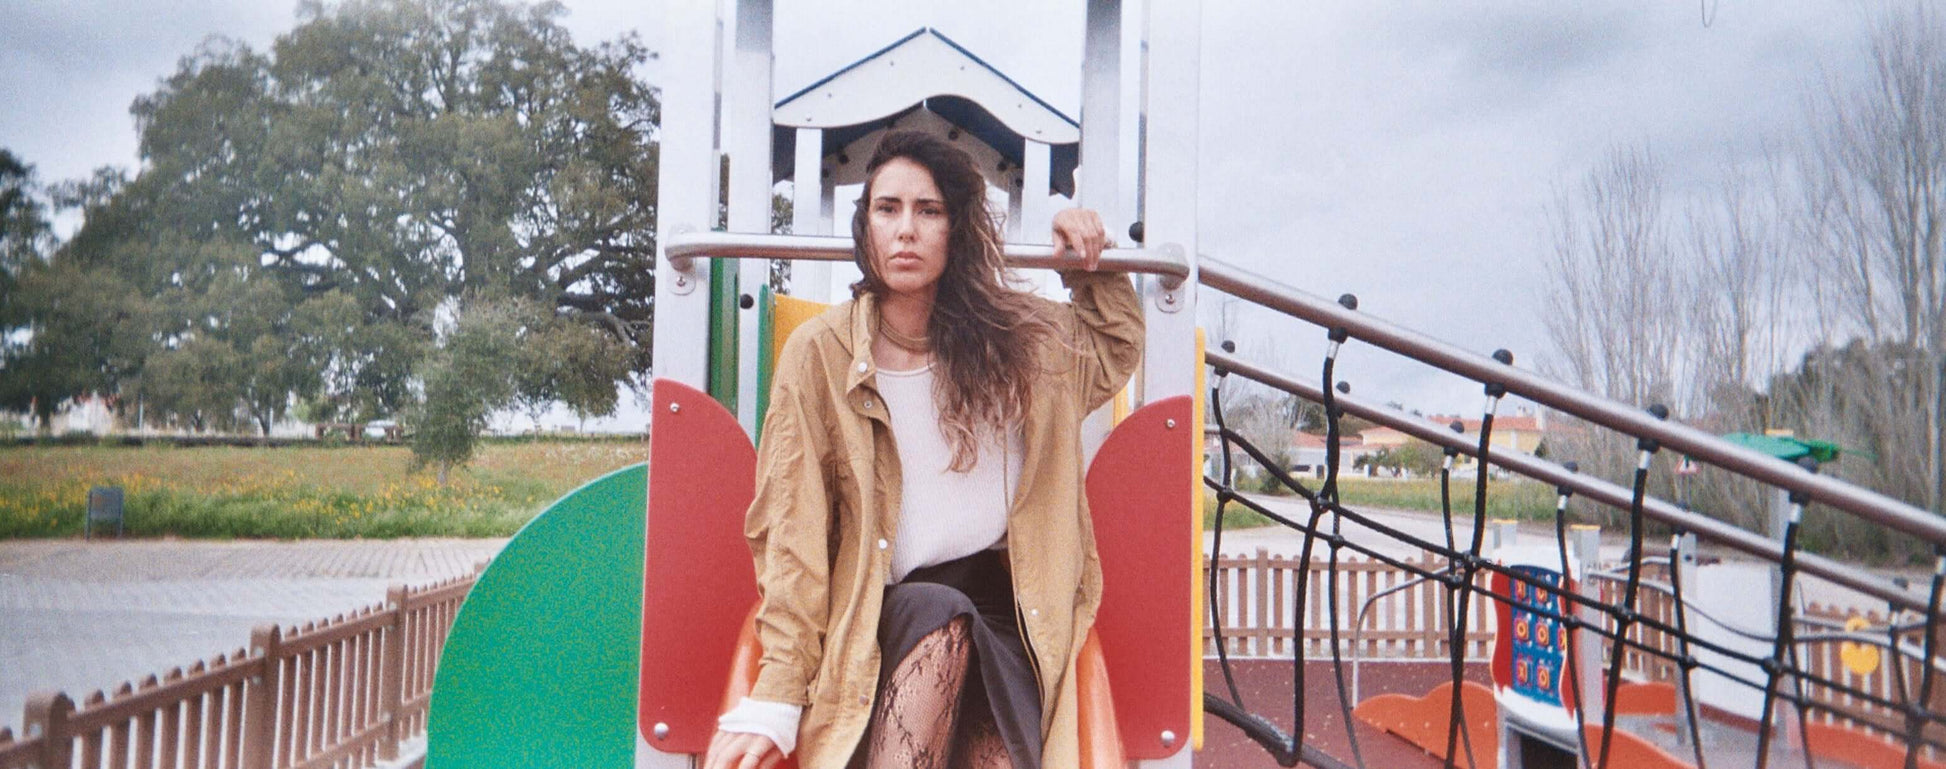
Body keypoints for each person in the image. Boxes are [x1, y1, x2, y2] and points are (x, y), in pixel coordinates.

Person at [703, 129, 1144, 769]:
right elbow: (790, 528)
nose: (905, 230)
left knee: (986, 717)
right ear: (867, 225)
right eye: (888, 209)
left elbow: (1114, 347)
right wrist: (779, 688)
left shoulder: (1021, 344)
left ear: (957, 227)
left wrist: (1088, 263)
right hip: (878, 622)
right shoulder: (820, 356)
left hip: (1001, 620)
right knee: (940, 613)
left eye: (928, 210)